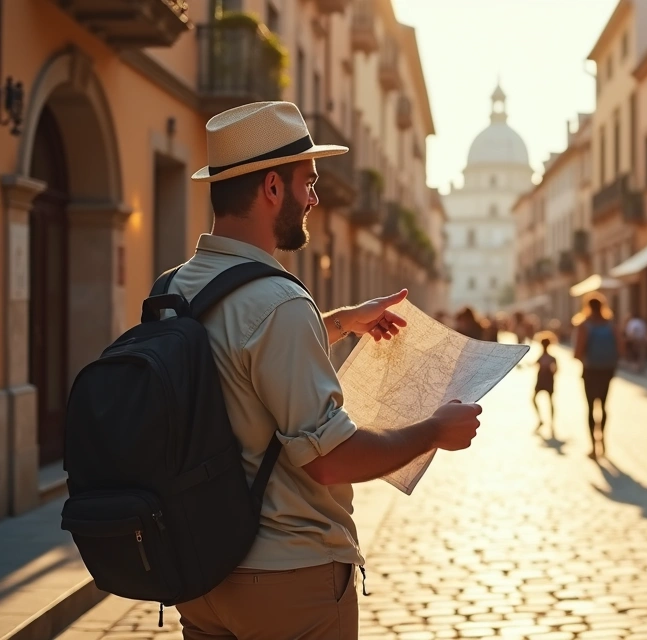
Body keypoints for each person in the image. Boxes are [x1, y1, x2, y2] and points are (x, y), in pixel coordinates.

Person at [174, 101, 483, 639]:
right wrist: (434, 430)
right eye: (308, 182)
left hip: (198, 573)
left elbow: (234, 361)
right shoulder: (277, 303)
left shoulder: (173, 288)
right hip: (287, 578)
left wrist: (336, 322)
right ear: (273, 188)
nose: (315, 197)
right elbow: (330, 462)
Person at [572, 293, 622, 460]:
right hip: (607, 370)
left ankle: (594, 446)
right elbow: (620, 348)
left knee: (591, 407)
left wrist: (582, 357)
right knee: (604, 405)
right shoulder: (610, 324)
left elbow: (578, 352)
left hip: (590, 370)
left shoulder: (584, 325)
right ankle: (604, 440)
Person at [532, 331, 558, 437]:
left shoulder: (544, 357)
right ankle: (548, 421)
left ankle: (544, 420)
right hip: (547, 380)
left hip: (543, 379)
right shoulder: (550, 358)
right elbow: (556, 370)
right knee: (549, 401)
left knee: (537, 399)